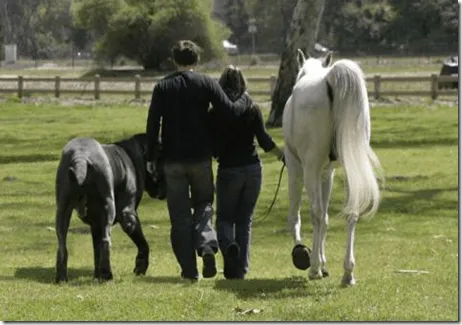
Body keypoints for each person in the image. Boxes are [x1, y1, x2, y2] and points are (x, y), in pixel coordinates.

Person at [145, 40, 253, 282]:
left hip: (172, 161)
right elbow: (230, 111)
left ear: (174, 60)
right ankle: (206, 246)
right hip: (201, 159)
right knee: (204, 204)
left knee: (180, 216)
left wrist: (150, 157)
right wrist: (245, 98)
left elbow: (153, 125)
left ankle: (189, 271)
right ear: (197, 60)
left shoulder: (162, 87)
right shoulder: (206, 83)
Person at [209, 65, 284, 280]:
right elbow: (264, 140)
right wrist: (282, 155)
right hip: (253, 169)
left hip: (229, 170)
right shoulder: (252, 107)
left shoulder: (216, 112)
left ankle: (230, 247)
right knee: (244, 220)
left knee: (224, 219)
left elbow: (213, 146)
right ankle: (240, 270)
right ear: (243, 83)